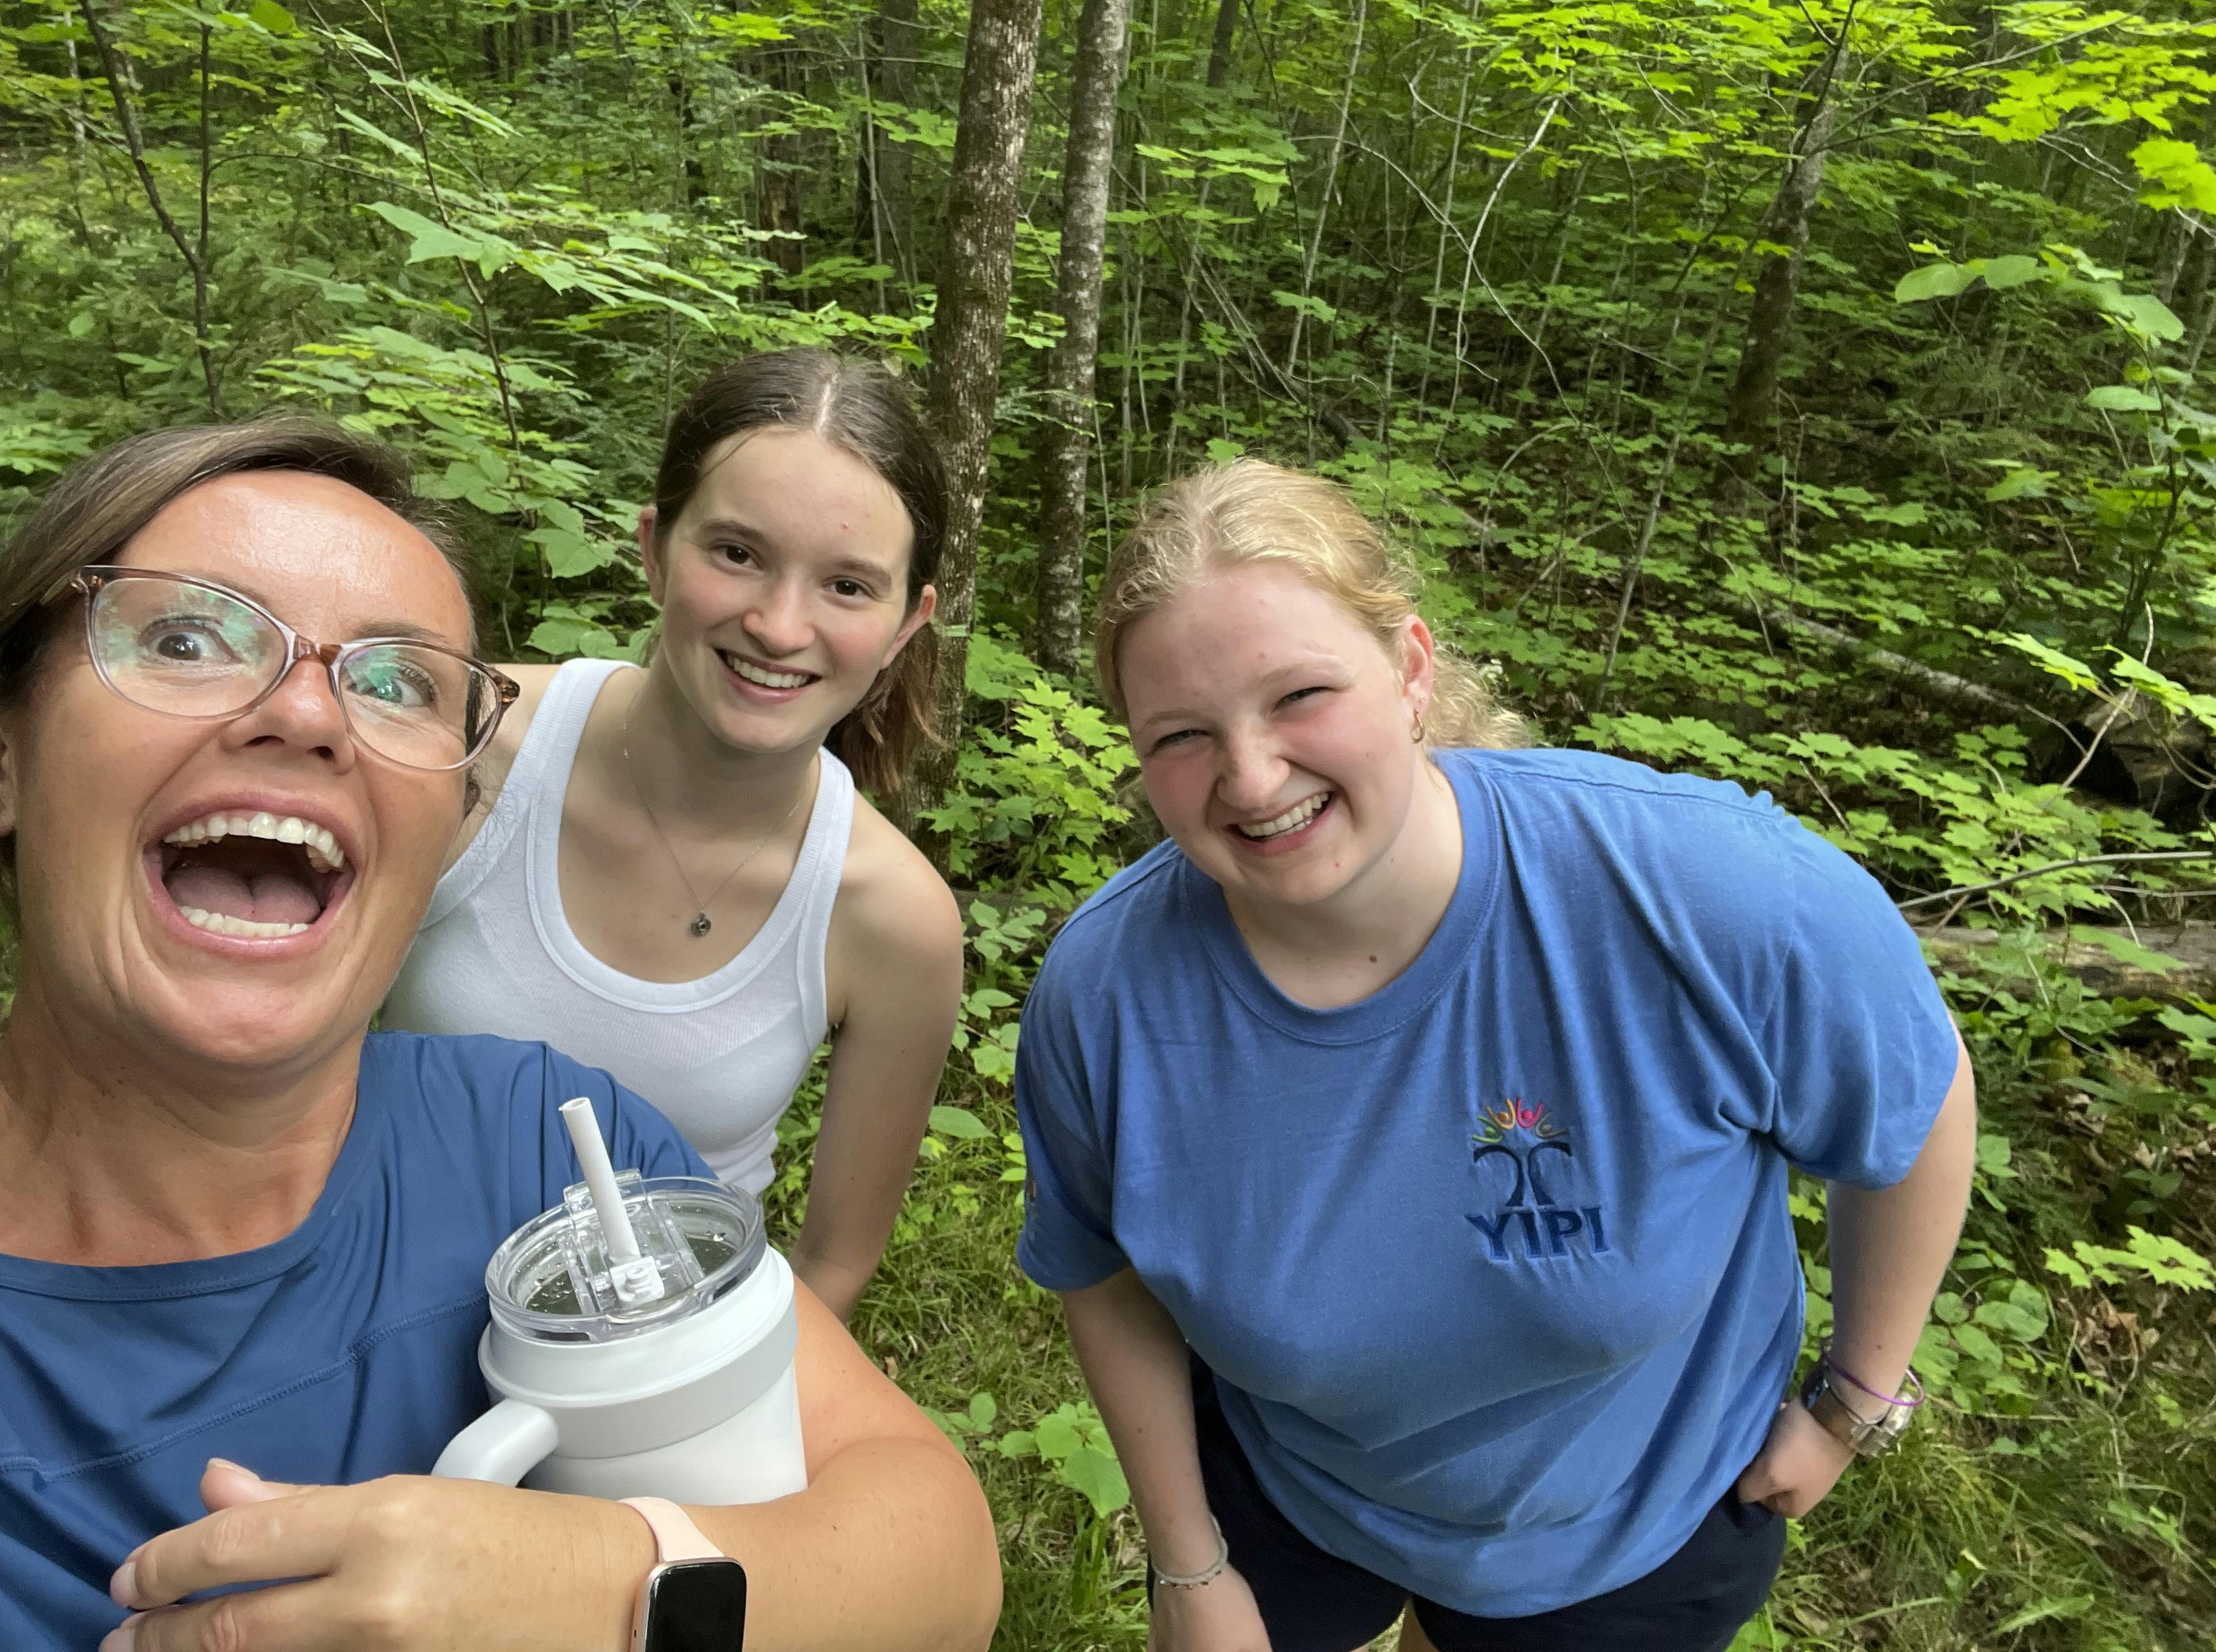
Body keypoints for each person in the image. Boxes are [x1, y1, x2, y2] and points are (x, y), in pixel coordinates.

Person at [0, 421, 1000, 1651]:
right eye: (190, 638)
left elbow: (936, 1544)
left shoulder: (552, 1145)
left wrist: (606, 1575)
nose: (310, 716)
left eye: (391, 681)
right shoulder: (523, 740)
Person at [1012, 458, 1976, 1652]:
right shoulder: (1106, 996)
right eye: (1182, 734)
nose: (1252, 777)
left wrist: (1856, 1400)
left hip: (1637, 1520)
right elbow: (1101, 1270)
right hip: (1288, 1484)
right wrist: (1190, 1567)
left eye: (1301, 695)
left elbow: (1917, 1101)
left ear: (1412, 670)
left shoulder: (1709, 897)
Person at [384, 348, 962, 1322]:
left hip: (650, 1388)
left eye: (849, 587)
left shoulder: (891, 918)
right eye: (736, 553)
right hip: (369, 1317)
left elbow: (832, 1263)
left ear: (909, 623)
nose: (780, 626)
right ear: (655, 550)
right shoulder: (467, 745)